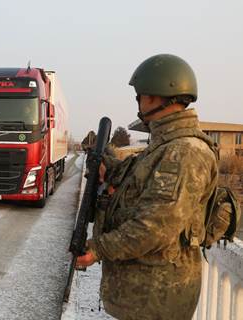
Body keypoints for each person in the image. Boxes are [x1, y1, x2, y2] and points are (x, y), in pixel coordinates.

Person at [76, 54, 218, 320]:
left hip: (155, 301)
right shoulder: (162, 148)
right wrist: (104, 161)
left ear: (154, 96)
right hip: (141, 297)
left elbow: (154, 228)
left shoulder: (183, 152)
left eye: (140, 96)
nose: (139, 103)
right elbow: (131, 185)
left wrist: (97, 249)